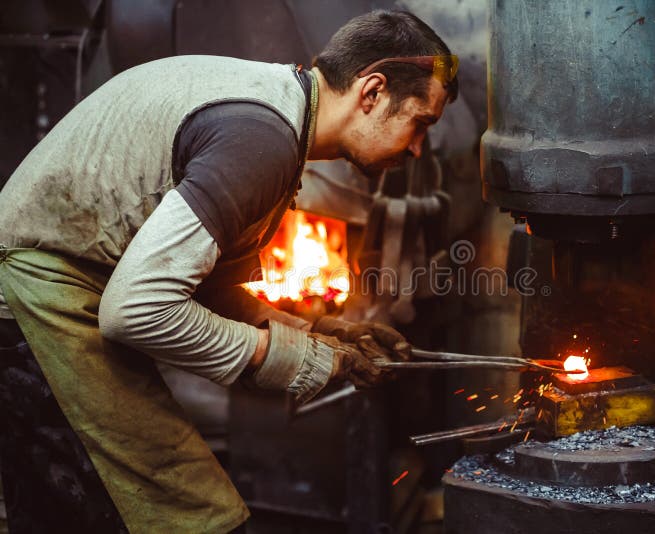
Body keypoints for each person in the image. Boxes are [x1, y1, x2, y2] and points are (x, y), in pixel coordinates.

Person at [0, 9, 458, 532]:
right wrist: (296, 358)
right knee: (192, 517)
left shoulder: (276, 111)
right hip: (32, 304)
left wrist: (322, 330)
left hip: (59, 292)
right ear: (371, 92)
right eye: (421, 122)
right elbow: (136, 310)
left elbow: (205, 287)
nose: (420, 147)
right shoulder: (262, 139)